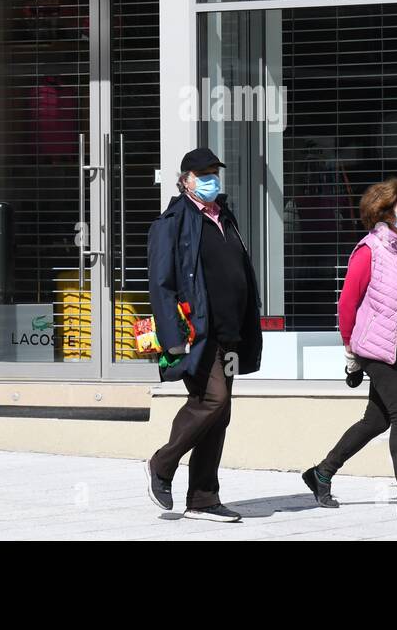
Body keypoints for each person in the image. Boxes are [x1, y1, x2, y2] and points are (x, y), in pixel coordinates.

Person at [301, 177, 397, 520]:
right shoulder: (369, 250)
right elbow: (347, 303)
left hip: (394, 350)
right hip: (372, 349)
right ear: (387, 212)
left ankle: (321, 473)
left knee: (375, 421)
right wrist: (350, 350)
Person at [143, 147, 263, 522]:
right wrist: (171, 336)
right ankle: (162, 464)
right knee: (212, 400)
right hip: (197, 332)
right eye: (204, 173)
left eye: (214, 171)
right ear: (186, 180)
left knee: (220, 410)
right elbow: (161, 284)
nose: (212, 178)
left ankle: (203, 498)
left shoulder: (224, 216)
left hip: (229, 331)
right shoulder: (173, 222)